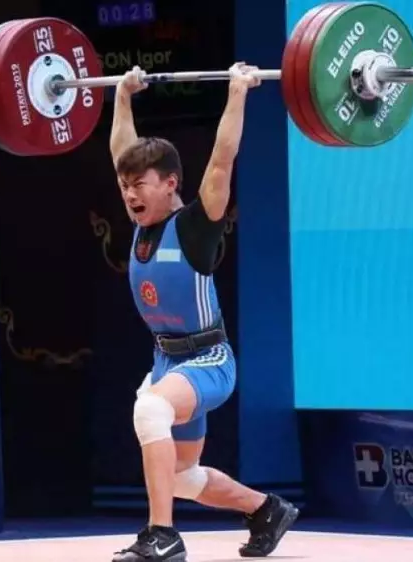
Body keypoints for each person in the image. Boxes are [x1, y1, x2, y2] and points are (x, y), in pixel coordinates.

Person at [109, 63, 299, 562]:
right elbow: (121, 148)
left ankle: (162, 535)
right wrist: (123, 96)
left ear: (170, 183)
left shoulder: (196, 225)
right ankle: (266, 510)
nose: (129, 194)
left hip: (208, 361)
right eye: (125, 185)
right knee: (181, 477)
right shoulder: (141, 223)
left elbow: (222, 159)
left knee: (150, 409)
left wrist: (238, 92)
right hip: (168, 362)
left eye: (139, 184)